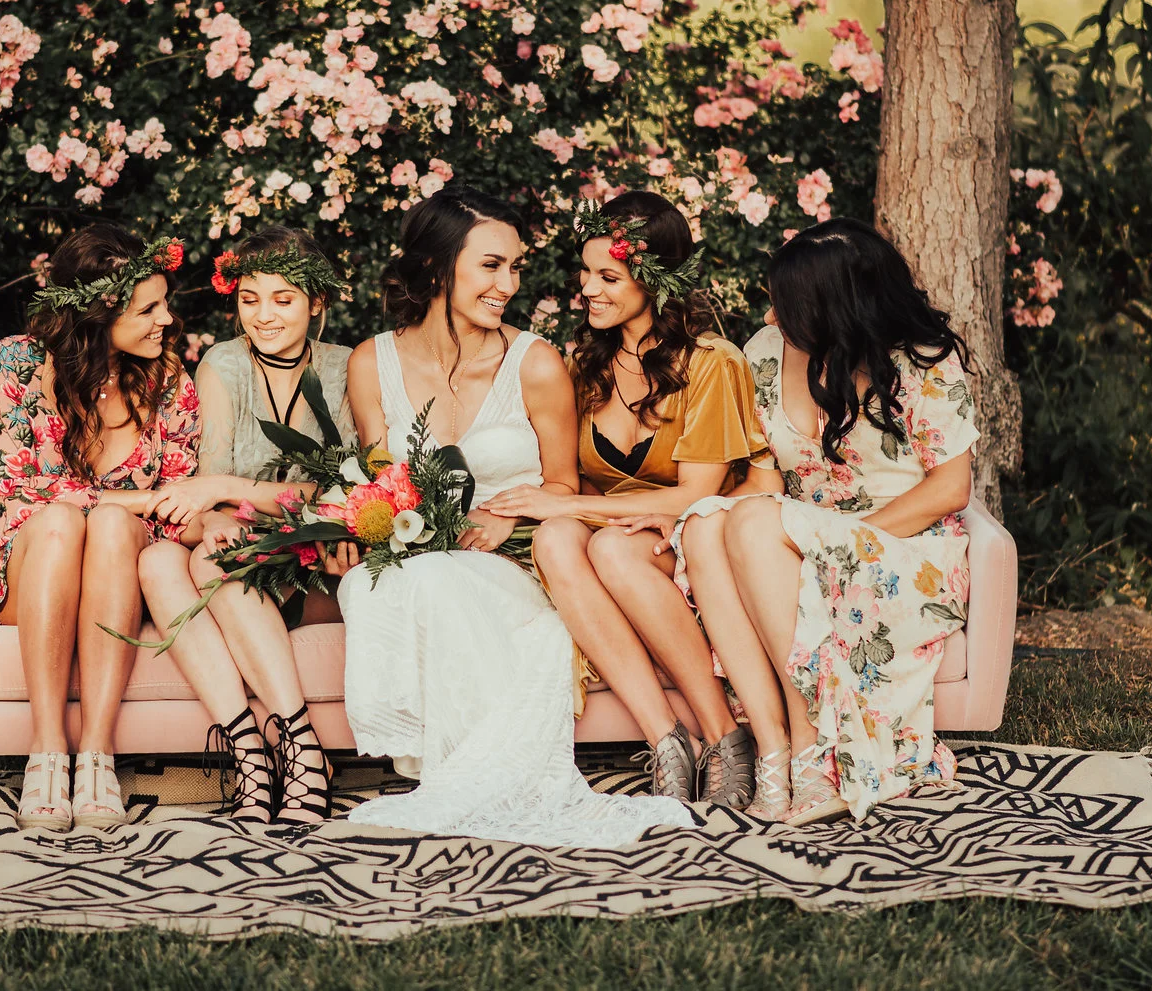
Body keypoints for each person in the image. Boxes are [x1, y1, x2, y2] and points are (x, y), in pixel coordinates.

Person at [332, 186, 694, 846]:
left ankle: (482, 774)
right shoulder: (370, 362)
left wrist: (506, 521)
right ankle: (447, 763)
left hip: (518, 560)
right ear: (439, 268)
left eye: (516, 266)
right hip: (423, 560)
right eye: (492, 265)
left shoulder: (535, 363)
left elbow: (562, 483)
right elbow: (380, 484)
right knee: (372, 581)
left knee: (438, 581)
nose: (509, 282)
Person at [650, 219, 977, 824]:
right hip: (791, 529)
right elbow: (767, 479)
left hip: (901, 546)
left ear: (834, 312)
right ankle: (773, 747)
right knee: (706, 525)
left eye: (787, 307)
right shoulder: (765, 355)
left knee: (750, 525)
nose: (771, 318)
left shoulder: (924, 361)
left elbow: (949, 489)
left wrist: (839, 540)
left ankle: (814, 755)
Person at [486, 192, 769, 809]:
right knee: (554, 538)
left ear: (655, 280)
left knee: (602, 544)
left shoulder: (711, 362)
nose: (588, 289)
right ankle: (666, 740)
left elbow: (697, 491)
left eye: (607, 276)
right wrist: (559, 511)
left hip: (692, 534)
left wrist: (563, 506)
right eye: (585, 273)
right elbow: (584, 490)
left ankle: (724, 737)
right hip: (620, 530)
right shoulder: (587, 363)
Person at [0, 226, 199, 831]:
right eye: (148, 308)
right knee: (59, 522)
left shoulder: (171, 385)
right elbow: (19, 487)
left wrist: (136, 508)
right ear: (97, 312)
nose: (166, 318)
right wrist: (140, 499)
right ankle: (46, 754)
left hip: (121, 575)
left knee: (111, 526)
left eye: (165, 302)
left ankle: (97, 757)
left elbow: (181, 497)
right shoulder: (11, 365)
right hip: (33, 569)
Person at [136, 226, 356, 823]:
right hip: (241, 549)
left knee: (209, 560)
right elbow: (206, 495)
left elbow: (345, 492)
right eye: (250, 298)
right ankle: (259, 754)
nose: (263, 316)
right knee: (157, 559)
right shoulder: (224, 365)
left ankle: (296, 750)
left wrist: (233, 494)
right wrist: (223, 507)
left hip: (318, 560)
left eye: (283, 299)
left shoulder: (345, 368)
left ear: (318, 302)